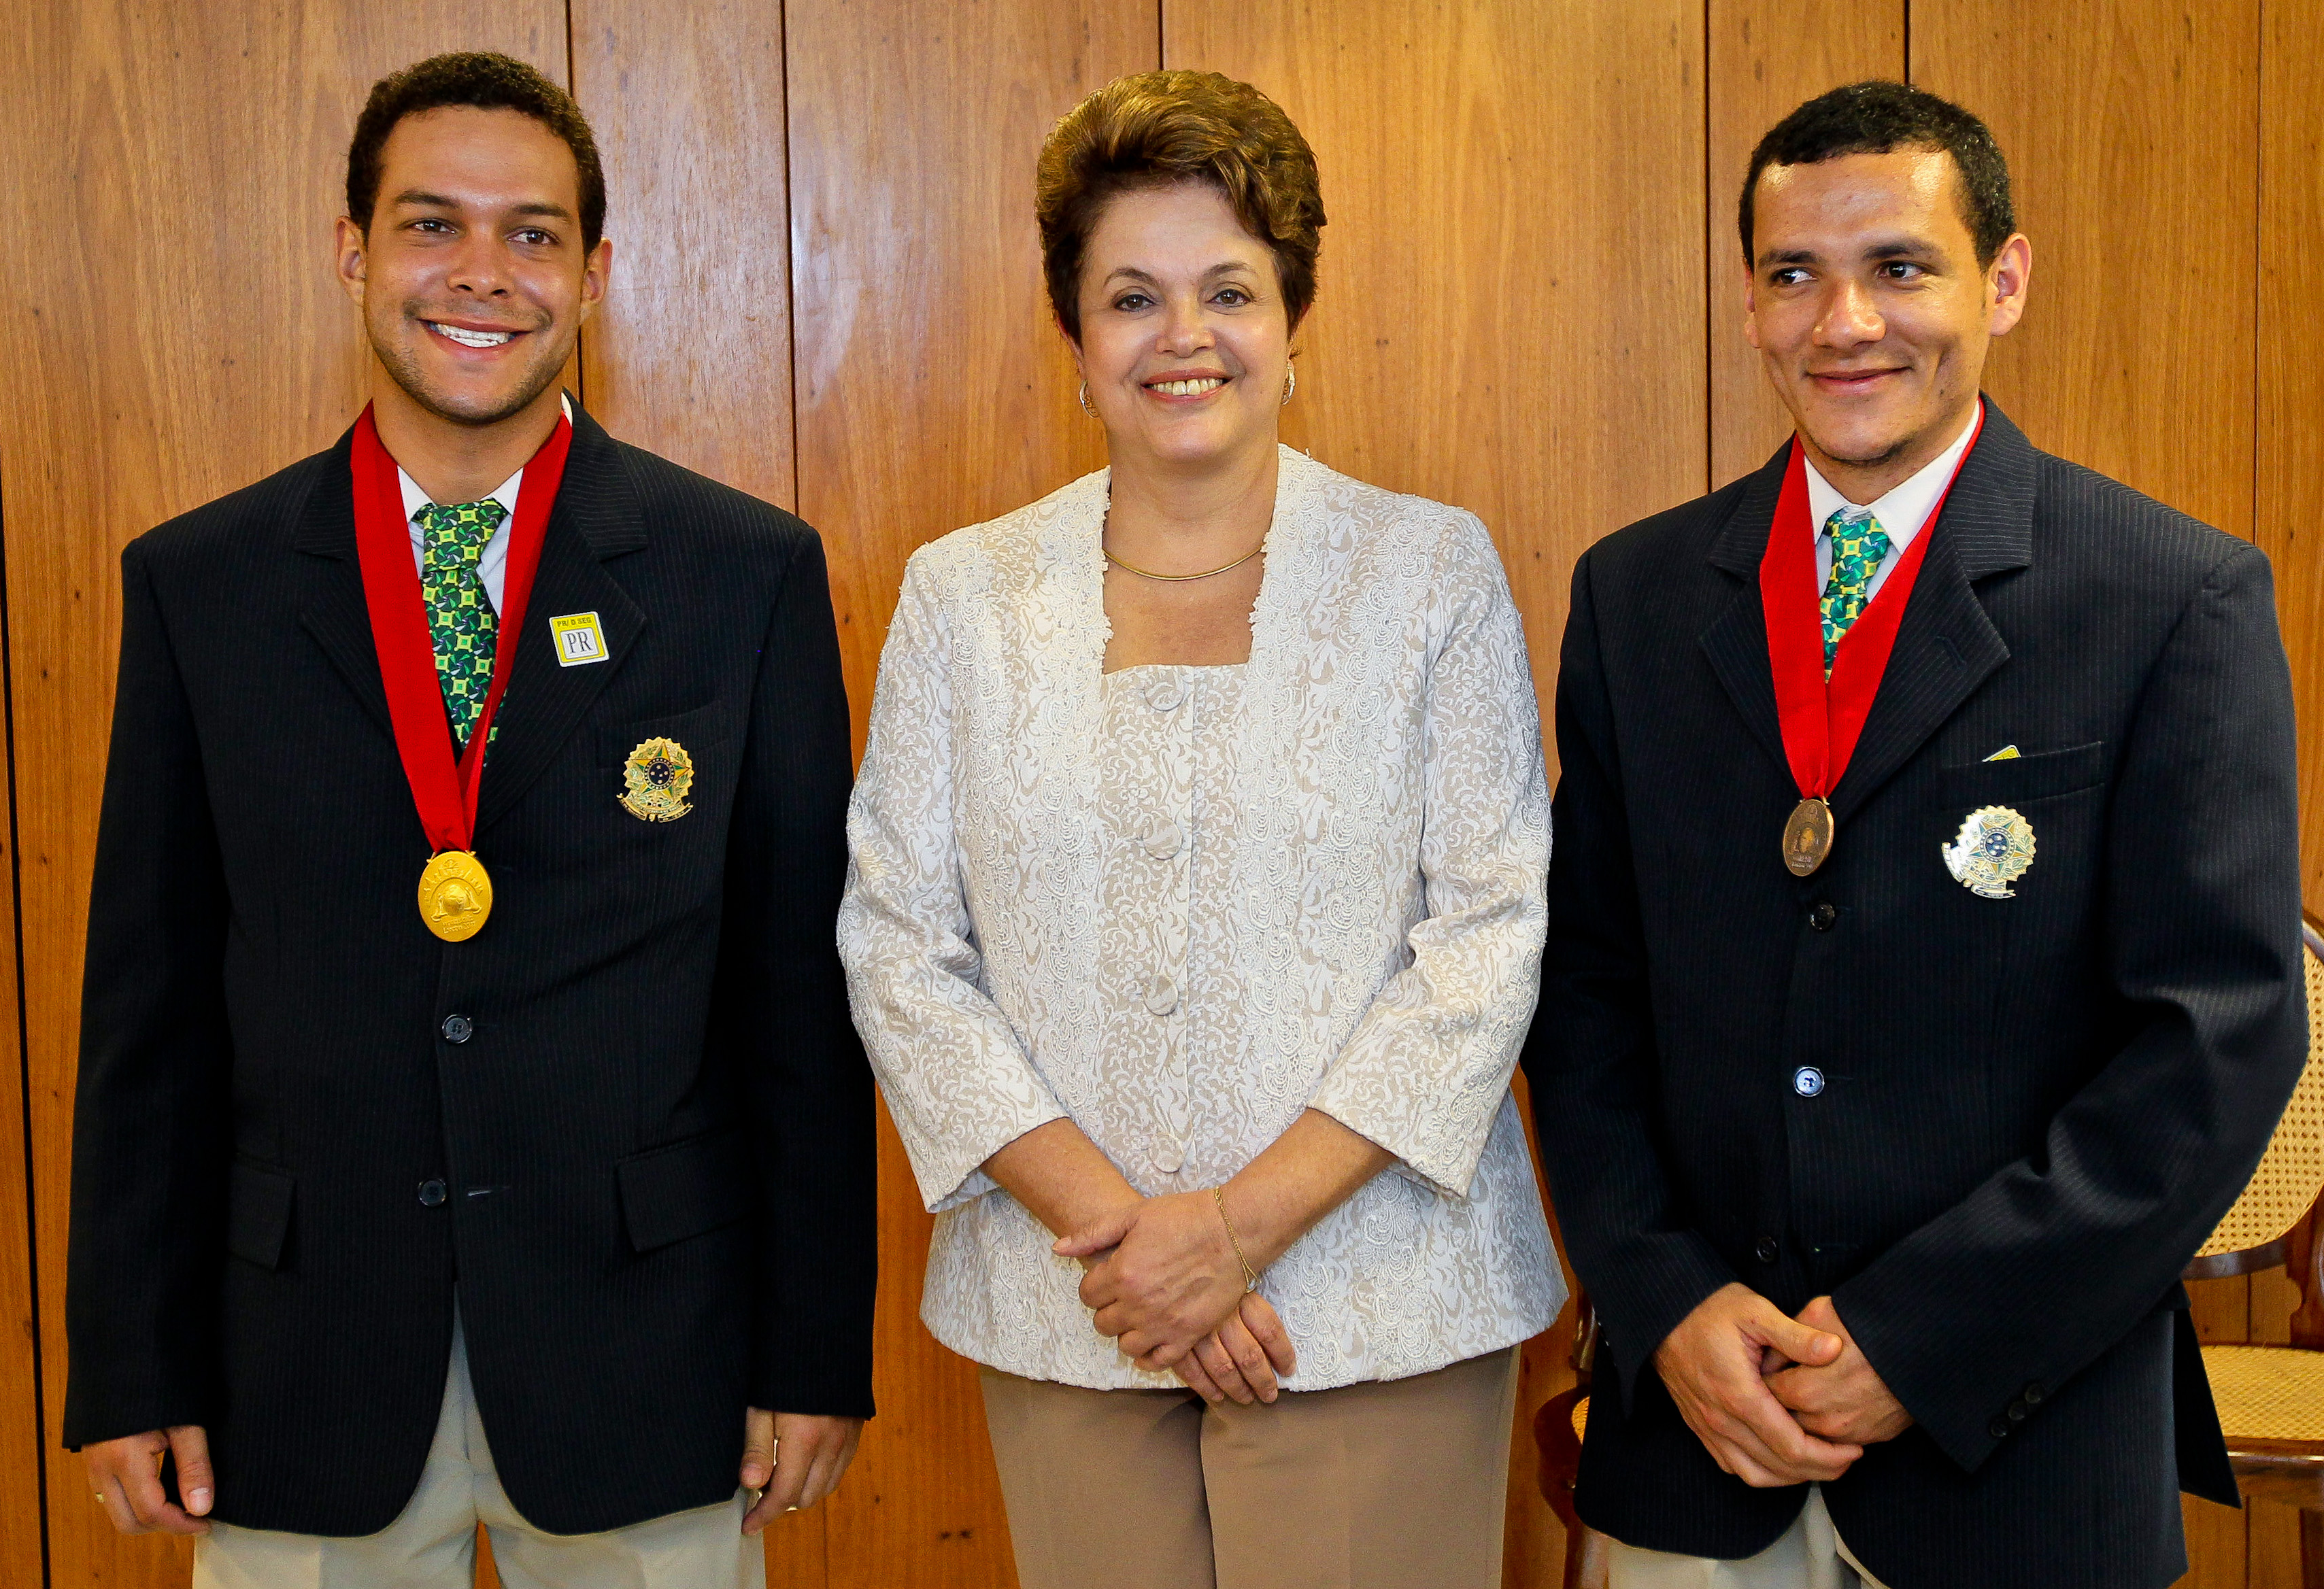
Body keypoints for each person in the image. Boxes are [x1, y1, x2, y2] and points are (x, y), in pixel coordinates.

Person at [63, 52, 875, 1588]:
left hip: (651, 1352)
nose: (481, 276)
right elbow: (148, 1010)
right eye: (433, 225)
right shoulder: (204, 586)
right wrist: (128, 1362)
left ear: (595, 271)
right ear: (354, 248)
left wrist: (816, 1342)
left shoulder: (739, 573)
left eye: (532, 235)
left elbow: (798, 1005)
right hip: (293, 1367)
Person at [1523, 80, 2305, 1589]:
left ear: (2002, 281)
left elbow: (2214, 1038)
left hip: (2015, 1453)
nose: (1844, 323)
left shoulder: (2169, 598)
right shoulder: (1634, 597)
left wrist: (1918, 1336)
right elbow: (1586, 996)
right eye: (1792, 273)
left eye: (1899, 266)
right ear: (1747, 302)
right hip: (1701, 1437)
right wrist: (1667, 1303)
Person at [837, 69, 1563, 1589]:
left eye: (1227, 289)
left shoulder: (1428, 574)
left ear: (1291, 316)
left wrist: (1234, 1227)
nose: (1182, 338)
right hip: (1069, 1302)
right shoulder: (960, 595)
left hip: (1378, 1305)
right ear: (1074, 337)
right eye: (1130, 296)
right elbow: (899, 943)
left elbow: (1487, 932)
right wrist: (1132, 1240)